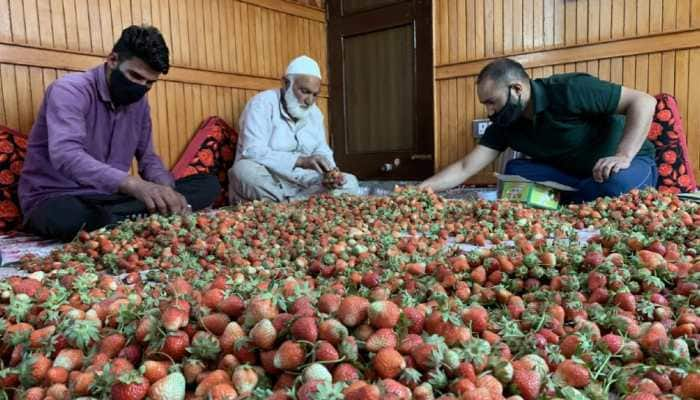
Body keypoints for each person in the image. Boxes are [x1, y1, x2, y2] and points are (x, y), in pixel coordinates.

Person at [19, 25, 220, 242]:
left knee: (207, 185)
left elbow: (148, 158)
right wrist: (135, 185)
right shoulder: (70, 90)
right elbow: (66, 155)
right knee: (67, 217)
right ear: (113, 59)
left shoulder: (140, 104)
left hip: (111, 198)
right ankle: (134, 218)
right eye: (135, 75)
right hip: (59, 197)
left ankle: (128, 218)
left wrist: (167, 191)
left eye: (150, 83)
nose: (141, 87)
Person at [420, 58, 658, 203]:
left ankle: (574, 197)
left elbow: (644, 101)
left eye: (492, 101)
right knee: (514, 172)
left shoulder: (569, 89)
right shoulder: (505, 121)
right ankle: (583, 195)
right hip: (572, 175)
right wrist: (419, 190)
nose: (490, 111)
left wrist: (623, 155)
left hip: (627, 164)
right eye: (486, 105)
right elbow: (465, 167)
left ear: (517, 89)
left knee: (612, 187)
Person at [228, 55, 360, 203]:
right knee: (242, 170)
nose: (310, 101)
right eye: (304, 91)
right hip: (267, 177)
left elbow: (321, 150)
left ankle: (287, 204)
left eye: (315, 95)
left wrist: (331, 173)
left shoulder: (315, 113)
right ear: (286, 84)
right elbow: (253, 151)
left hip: (301, 181)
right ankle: (299, 203)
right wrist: (301, 161)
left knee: (350, 182)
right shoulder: (262, 104)